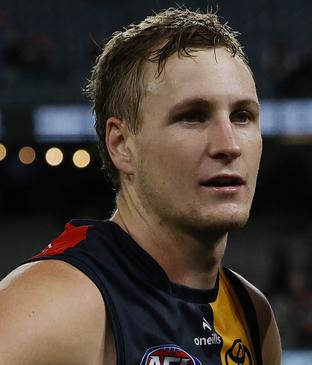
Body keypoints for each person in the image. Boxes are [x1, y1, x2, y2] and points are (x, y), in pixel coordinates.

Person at [0, 8, 281, 365]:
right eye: (192, 116)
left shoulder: (254, 316)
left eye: (242, 116)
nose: (229, 145)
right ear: (121, 144)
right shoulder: (53, 306)